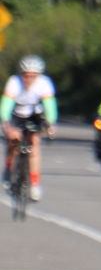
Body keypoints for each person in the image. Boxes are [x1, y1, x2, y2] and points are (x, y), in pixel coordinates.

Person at [2, 55, 58, 201]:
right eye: (26, 76)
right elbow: (6, 105)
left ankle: (34, 184)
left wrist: (51, 124)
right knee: (13, 140)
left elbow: (50, 107)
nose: (28, 79)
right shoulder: (14, 82)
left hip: (35, 114)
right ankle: (8, 170)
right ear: (21, 74)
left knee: (34, 144)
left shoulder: (44, 83)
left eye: (32, 76)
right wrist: (6, 123)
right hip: (16, 113)